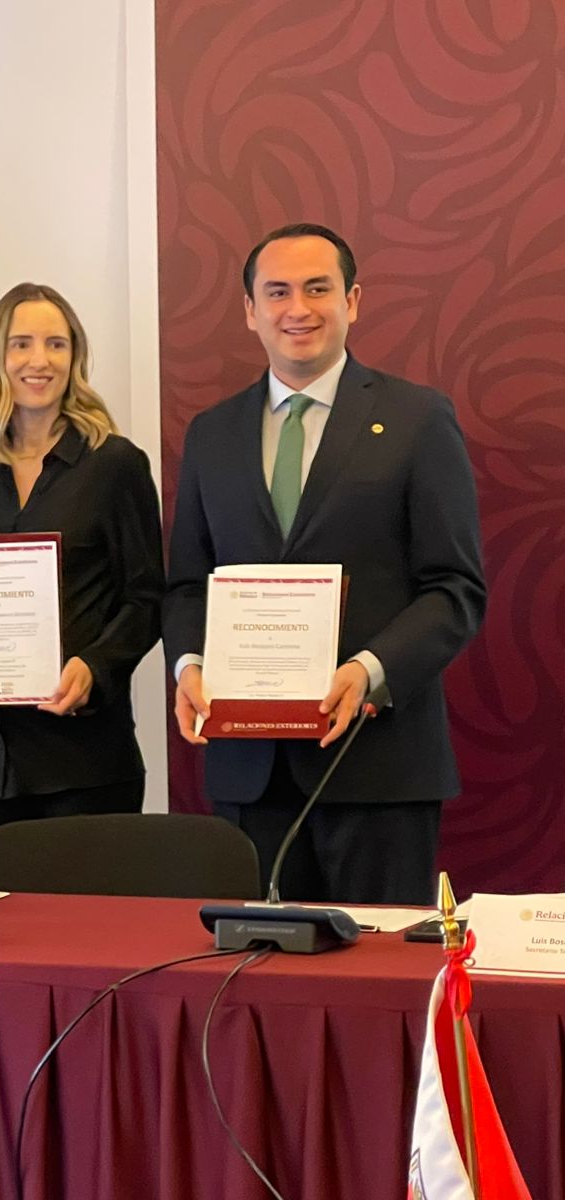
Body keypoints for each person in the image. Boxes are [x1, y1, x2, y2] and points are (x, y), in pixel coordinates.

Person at [165, 223, 486, 905]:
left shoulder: (418, 419)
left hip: (378, 769)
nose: (298, 309)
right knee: (258, 966)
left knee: (378, 968)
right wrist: (188, 665)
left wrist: (369, 670)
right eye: (277, 292)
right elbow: (189, 583)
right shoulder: (212, 433)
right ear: (250, 309)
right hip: (249, 774)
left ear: (353, 301)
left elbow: (455, 587)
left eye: (318, 289)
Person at [0, 283, 163, 841]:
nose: (39, 360)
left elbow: (147, 599)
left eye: (56, 344)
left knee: (86, 902)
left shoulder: (114, 465)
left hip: (85, 758)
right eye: (21, 344)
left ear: (75, 357)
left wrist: (96, 666)